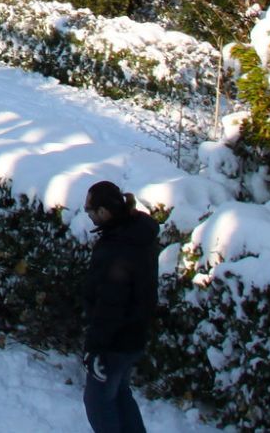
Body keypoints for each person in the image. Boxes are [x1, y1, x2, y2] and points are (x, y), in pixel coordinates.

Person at [80, 180, 160, 433]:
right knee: (119, 394)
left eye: (89, 210)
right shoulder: (137, 233)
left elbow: (110, 304)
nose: (89, 215)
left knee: (98, 404)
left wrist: (96, 349)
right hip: (134, 337)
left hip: (115, 343)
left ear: (104, 211)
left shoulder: (117, 248)